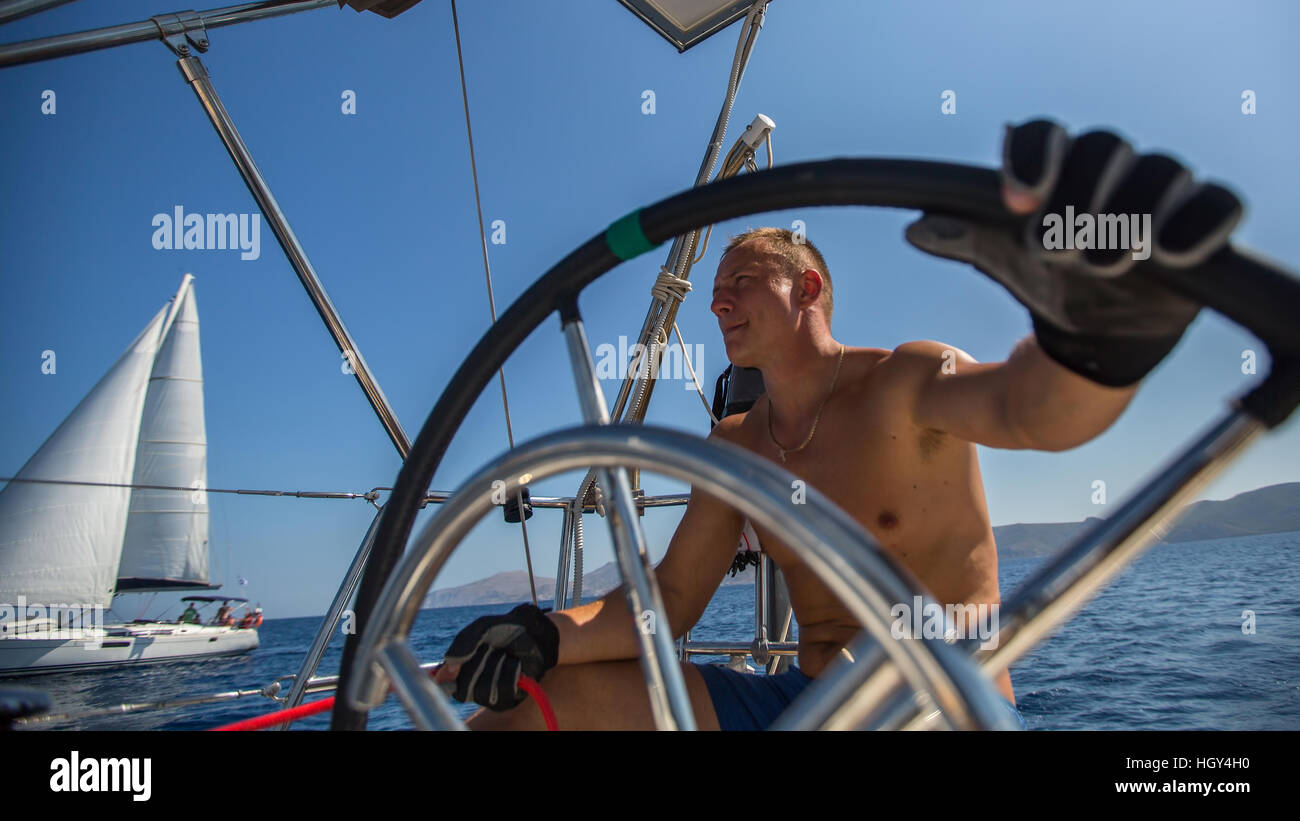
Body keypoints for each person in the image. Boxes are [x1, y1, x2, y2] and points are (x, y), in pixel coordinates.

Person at [432, 120, 1241, 730]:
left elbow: (1029, 410)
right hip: (799, 699)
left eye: (741, 281)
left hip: (935, 701)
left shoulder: (905, 381)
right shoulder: (737, 448)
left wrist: (1096, 341)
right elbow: (670, 602)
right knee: (535, 712)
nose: (717, 304)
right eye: (716, 292)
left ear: (807, 287)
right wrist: (542, 632)